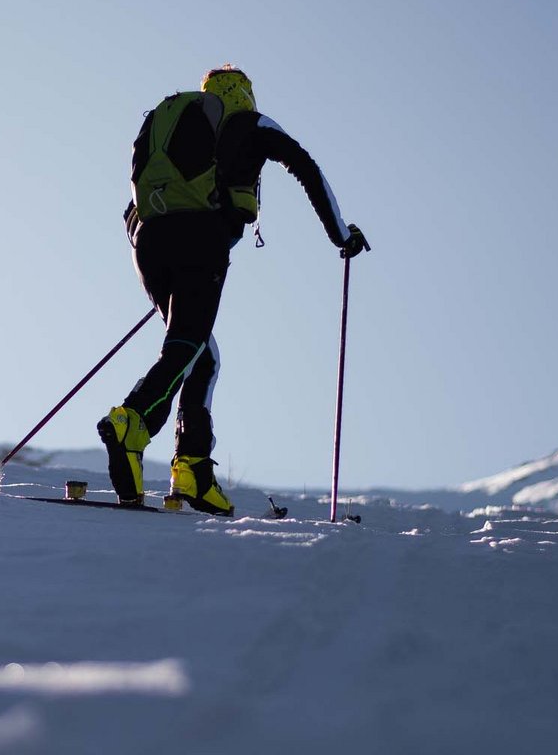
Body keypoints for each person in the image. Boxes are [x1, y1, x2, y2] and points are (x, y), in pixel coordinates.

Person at [98, 65, 369, 514]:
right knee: (187, 346)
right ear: (244, 92)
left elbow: (134, 204)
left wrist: (160, 253)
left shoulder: (173, 122)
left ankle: (192, 470)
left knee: (201, 353)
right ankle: (134, 422)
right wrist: (342, 235)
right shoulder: (248, 121)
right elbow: (305, 167)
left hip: (147, 241)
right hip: (201, 238)